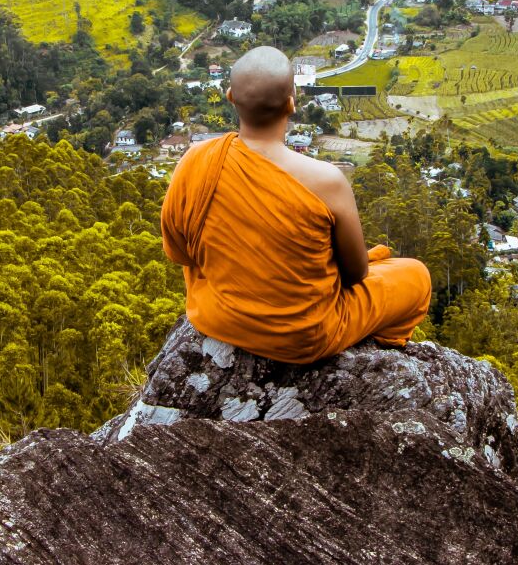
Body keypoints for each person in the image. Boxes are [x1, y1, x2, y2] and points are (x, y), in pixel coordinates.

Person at [161, 46, 433, 363]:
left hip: (219, 318)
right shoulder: (327, 181)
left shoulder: (197, 160)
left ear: (230, 96)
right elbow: (357, 274)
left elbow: (178, 253)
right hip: (305, 337)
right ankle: (382, 345)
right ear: (292, 103)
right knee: (415, 275)